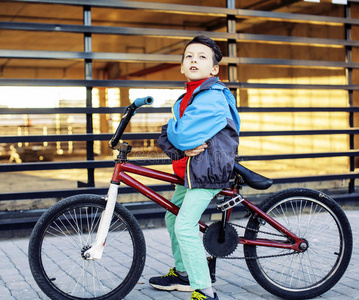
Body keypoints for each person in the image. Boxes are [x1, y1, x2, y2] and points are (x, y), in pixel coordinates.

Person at [150, 35, 240, 300]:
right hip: (191, 171)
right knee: (172, 215)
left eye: (202, 56)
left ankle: (204, 289)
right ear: (181, 66)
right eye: (189, 56)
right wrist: (176, 140)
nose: (193, 60)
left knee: (184, 225)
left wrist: (173, 135)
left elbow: (179, 135)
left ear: (214, 69)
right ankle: (183, 273)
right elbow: (174, 139)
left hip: (208, 172)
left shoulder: (212, 97)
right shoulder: (185, 99)